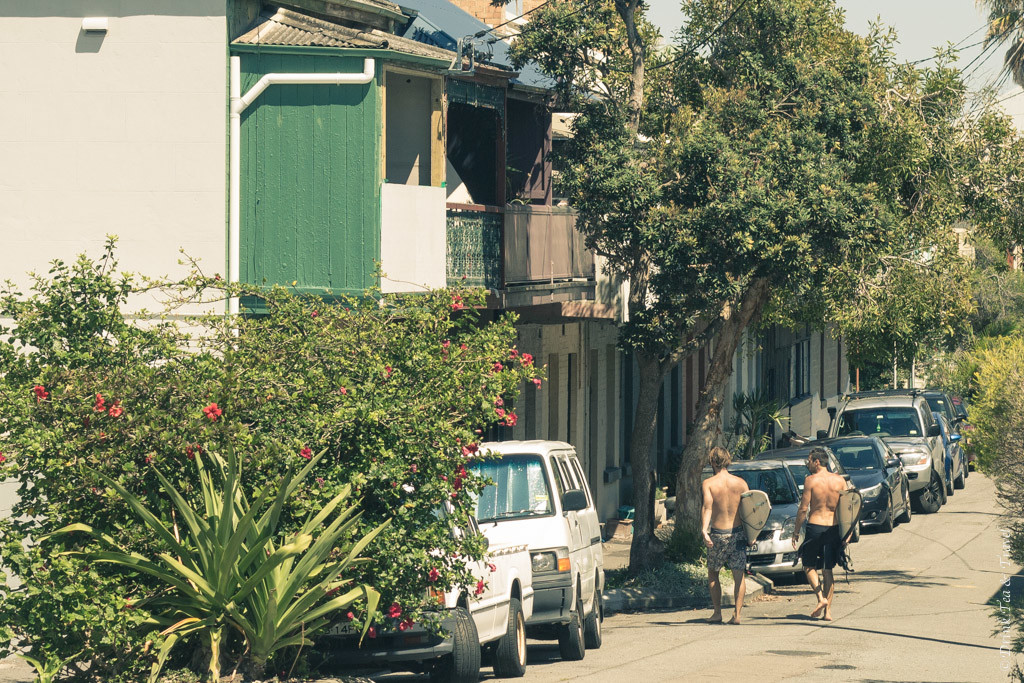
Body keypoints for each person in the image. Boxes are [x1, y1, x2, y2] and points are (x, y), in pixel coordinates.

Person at [792, 447, 851, 621]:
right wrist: (847, 532)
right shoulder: (840, 481)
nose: (807, 464)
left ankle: (821, 599)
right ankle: (828, 612)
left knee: (808, 566)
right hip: (833, 528)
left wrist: (796, 531)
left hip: (815, 527)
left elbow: (803, 509)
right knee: (827, 570)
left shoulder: (810, 480)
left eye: (809, 460)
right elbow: (848, 507)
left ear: (817, 461)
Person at [701, 446, 750, 624]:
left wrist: (704, 530)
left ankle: (717, 613)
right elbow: (749, 512)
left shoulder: (709, 483)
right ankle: (737, 615)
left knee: (713, 573)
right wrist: (751, 535)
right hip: (737, 533)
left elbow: (707, 507)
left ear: (713, 461)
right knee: (739, 575)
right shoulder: (741, 483)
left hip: (718, 534)